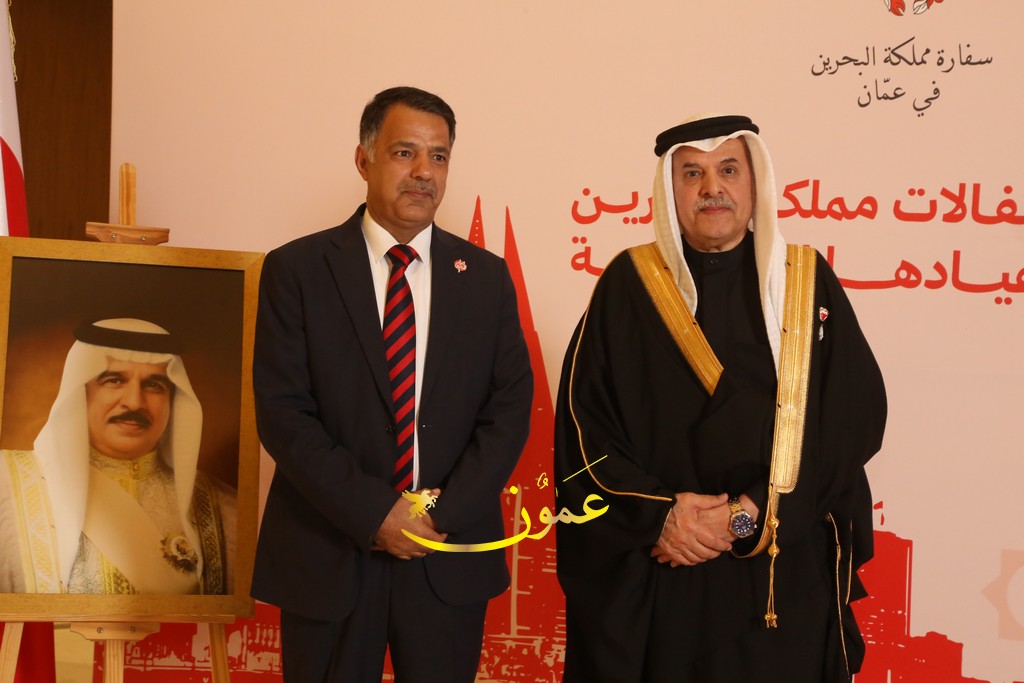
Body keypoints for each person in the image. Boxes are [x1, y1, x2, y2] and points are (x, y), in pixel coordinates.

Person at [554, 114, 887, 682]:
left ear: (755, 183)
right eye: (693, 174)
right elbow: (585, 429)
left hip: (781, 574)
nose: (712, 187)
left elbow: (851, 419)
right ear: (670, 191)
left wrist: (750, 513)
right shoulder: (628, 284)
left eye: (728, 170)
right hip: (666, 566)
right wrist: (662, 516)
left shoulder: (806, 280)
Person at [251, 86, 533, 682]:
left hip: (445, 553)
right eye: (405, 152)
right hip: (329, 550)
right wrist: (376, 513)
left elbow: (508, 411)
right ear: (364, 159)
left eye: (439, 156)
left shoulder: (486, 278)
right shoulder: (296, 270)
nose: (424, 172)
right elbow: (283, 413)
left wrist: (439, 517)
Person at [0, 318, 236, 594]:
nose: (134, 402)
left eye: (154, 385)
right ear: (81, 392)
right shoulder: (6, 487)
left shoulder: (224, 508)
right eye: (114, 381)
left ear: (172, 400)